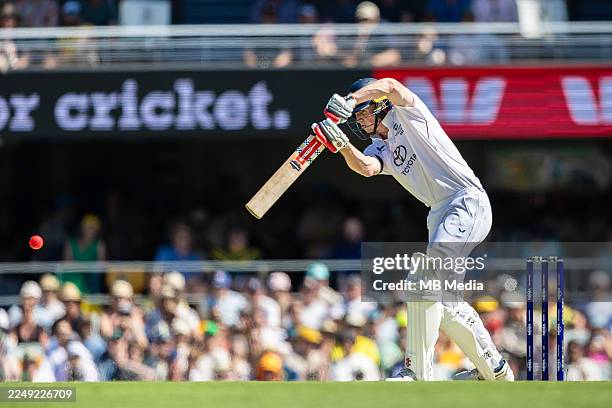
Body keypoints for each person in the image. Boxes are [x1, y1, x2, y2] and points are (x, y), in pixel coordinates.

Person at [313, 77, 514, 381]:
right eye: (358, 116)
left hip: (466, 201)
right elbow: (367, 168)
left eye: (365, 112)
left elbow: (391, 85)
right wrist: (342, 146)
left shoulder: (409, 114)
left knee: (423, 280)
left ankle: (417, 372)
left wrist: (350, 99)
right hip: (439, 215)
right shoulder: (379, 145)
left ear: (380, 106)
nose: (361, 120)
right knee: (442, 301)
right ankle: (495, 371)